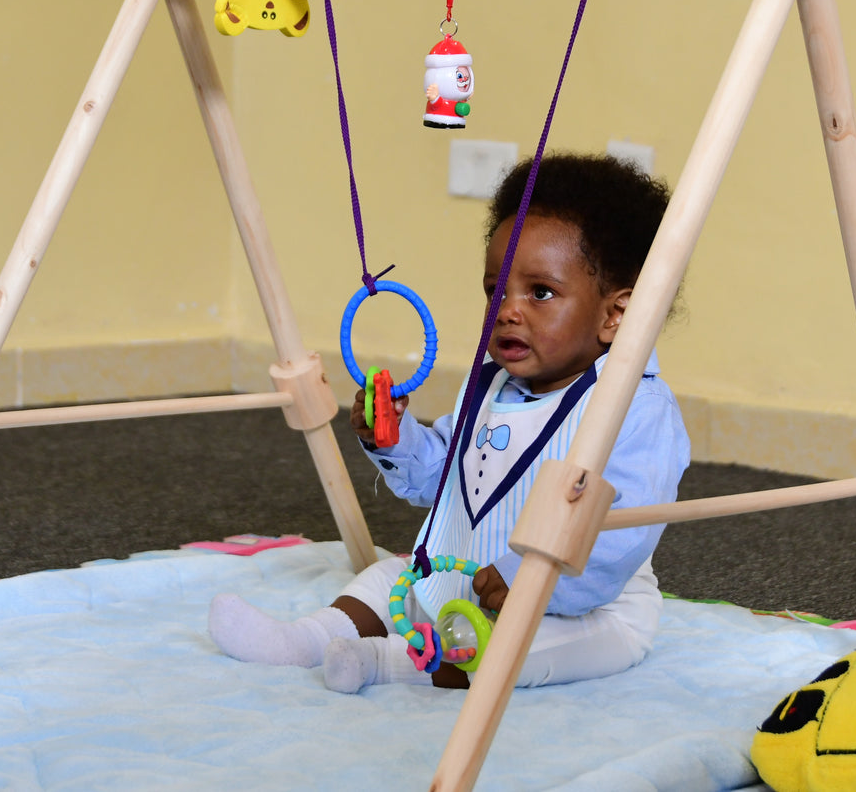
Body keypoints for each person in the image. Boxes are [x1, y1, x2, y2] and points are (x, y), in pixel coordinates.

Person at [209, 153, 690, 692]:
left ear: (615, 316)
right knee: (388, 578)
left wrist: (528, 581)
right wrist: (395, 438)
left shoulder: (637, 408)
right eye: (495, 290)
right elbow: (449, 476)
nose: (508, 310)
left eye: (541, 293)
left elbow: (624, 529)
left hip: (581, 607)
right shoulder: (490, 383)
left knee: (517, 650)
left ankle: (385, 664)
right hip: (468, 574)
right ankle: (304, 639)